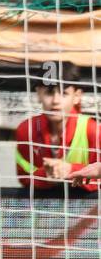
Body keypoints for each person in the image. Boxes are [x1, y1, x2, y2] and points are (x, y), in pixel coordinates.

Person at [16, 61, 100, 194]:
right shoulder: (26, 130)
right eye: (49, 92)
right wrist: (47, 175)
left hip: (89, 211)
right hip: (42, 210)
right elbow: (24, 177)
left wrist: (70, 170)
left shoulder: (93, 131)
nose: (56, 100)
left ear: (77, 96)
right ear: (38, 94)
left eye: (64, 93)